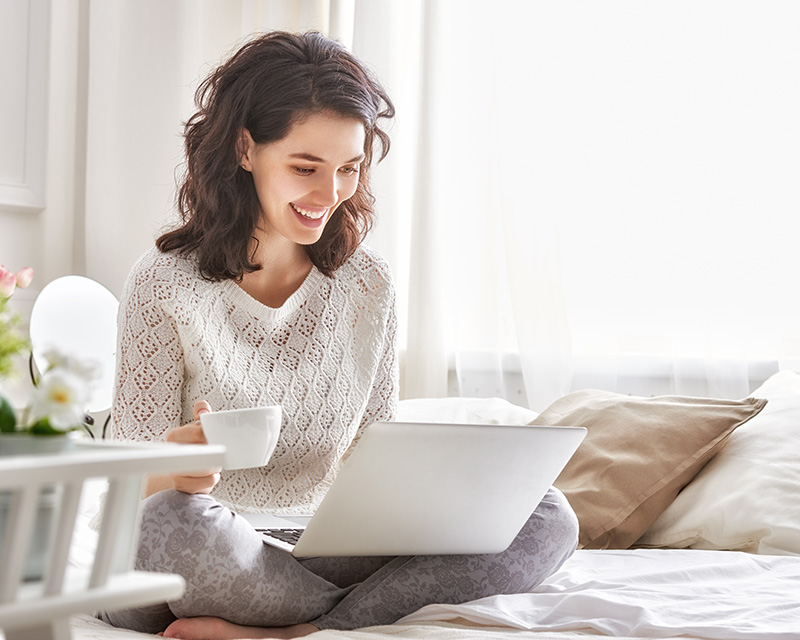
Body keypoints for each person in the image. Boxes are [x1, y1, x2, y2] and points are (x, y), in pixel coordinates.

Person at [100, 31, 579, 639]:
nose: (330, 195)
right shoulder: (165, 282)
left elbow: (369, 458)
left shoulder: (367, 286)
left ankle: (294, 633)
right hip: (191, 547)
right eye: (306, 167)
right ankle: (355, 615)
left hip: (314, 547)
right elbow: (132, 490)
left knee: (547, 514)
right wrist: (181, 468)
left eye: (349, 170)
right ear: (246, 149)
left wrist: (435, 496)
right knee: (170, 524)